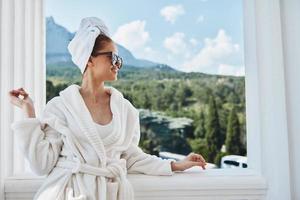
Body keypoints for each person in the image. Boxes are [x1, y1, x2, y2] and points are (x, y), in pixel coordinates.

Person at [8, 17, 206, 200]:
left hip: (110, 192)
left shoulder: (125, 110)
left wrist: (175, 165)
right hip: (67, 192)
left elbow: (131, 157)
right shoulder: (60, 107)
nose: (117, 64)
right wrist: (30, 113)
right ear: (89, 59)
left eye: (119, 59)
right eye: (112, 57)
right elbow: (42, 164)